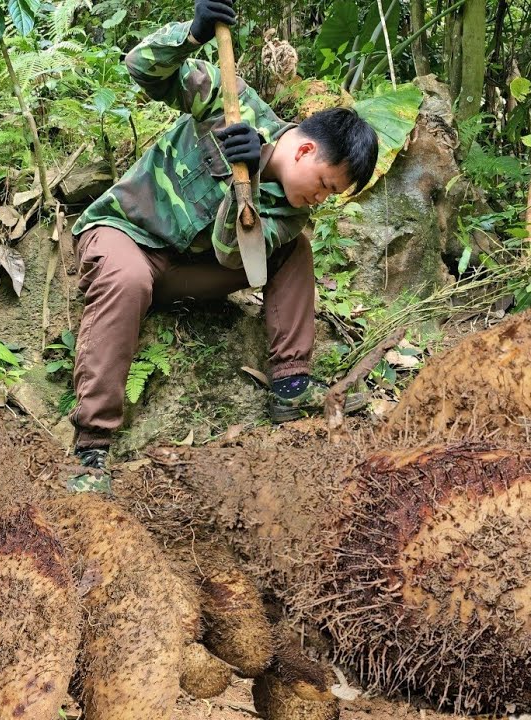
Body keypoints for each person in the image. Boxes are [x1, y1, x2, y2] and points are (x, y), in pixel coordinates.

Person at [67, 0, 379, 487]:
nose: (320, 198)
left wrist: (246, 184)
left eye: (331, 194)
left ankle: (292, 386)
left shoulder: (292, 211)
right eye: (324, 183)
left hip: (187, 271)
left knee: (293, 252)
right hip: (124, 237)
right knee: (127, 277)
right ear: (304, 149)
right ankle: (91, 449)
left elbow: (236, 256)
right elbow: (141, 67)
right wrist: (191, 34)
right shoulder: (230, 98)